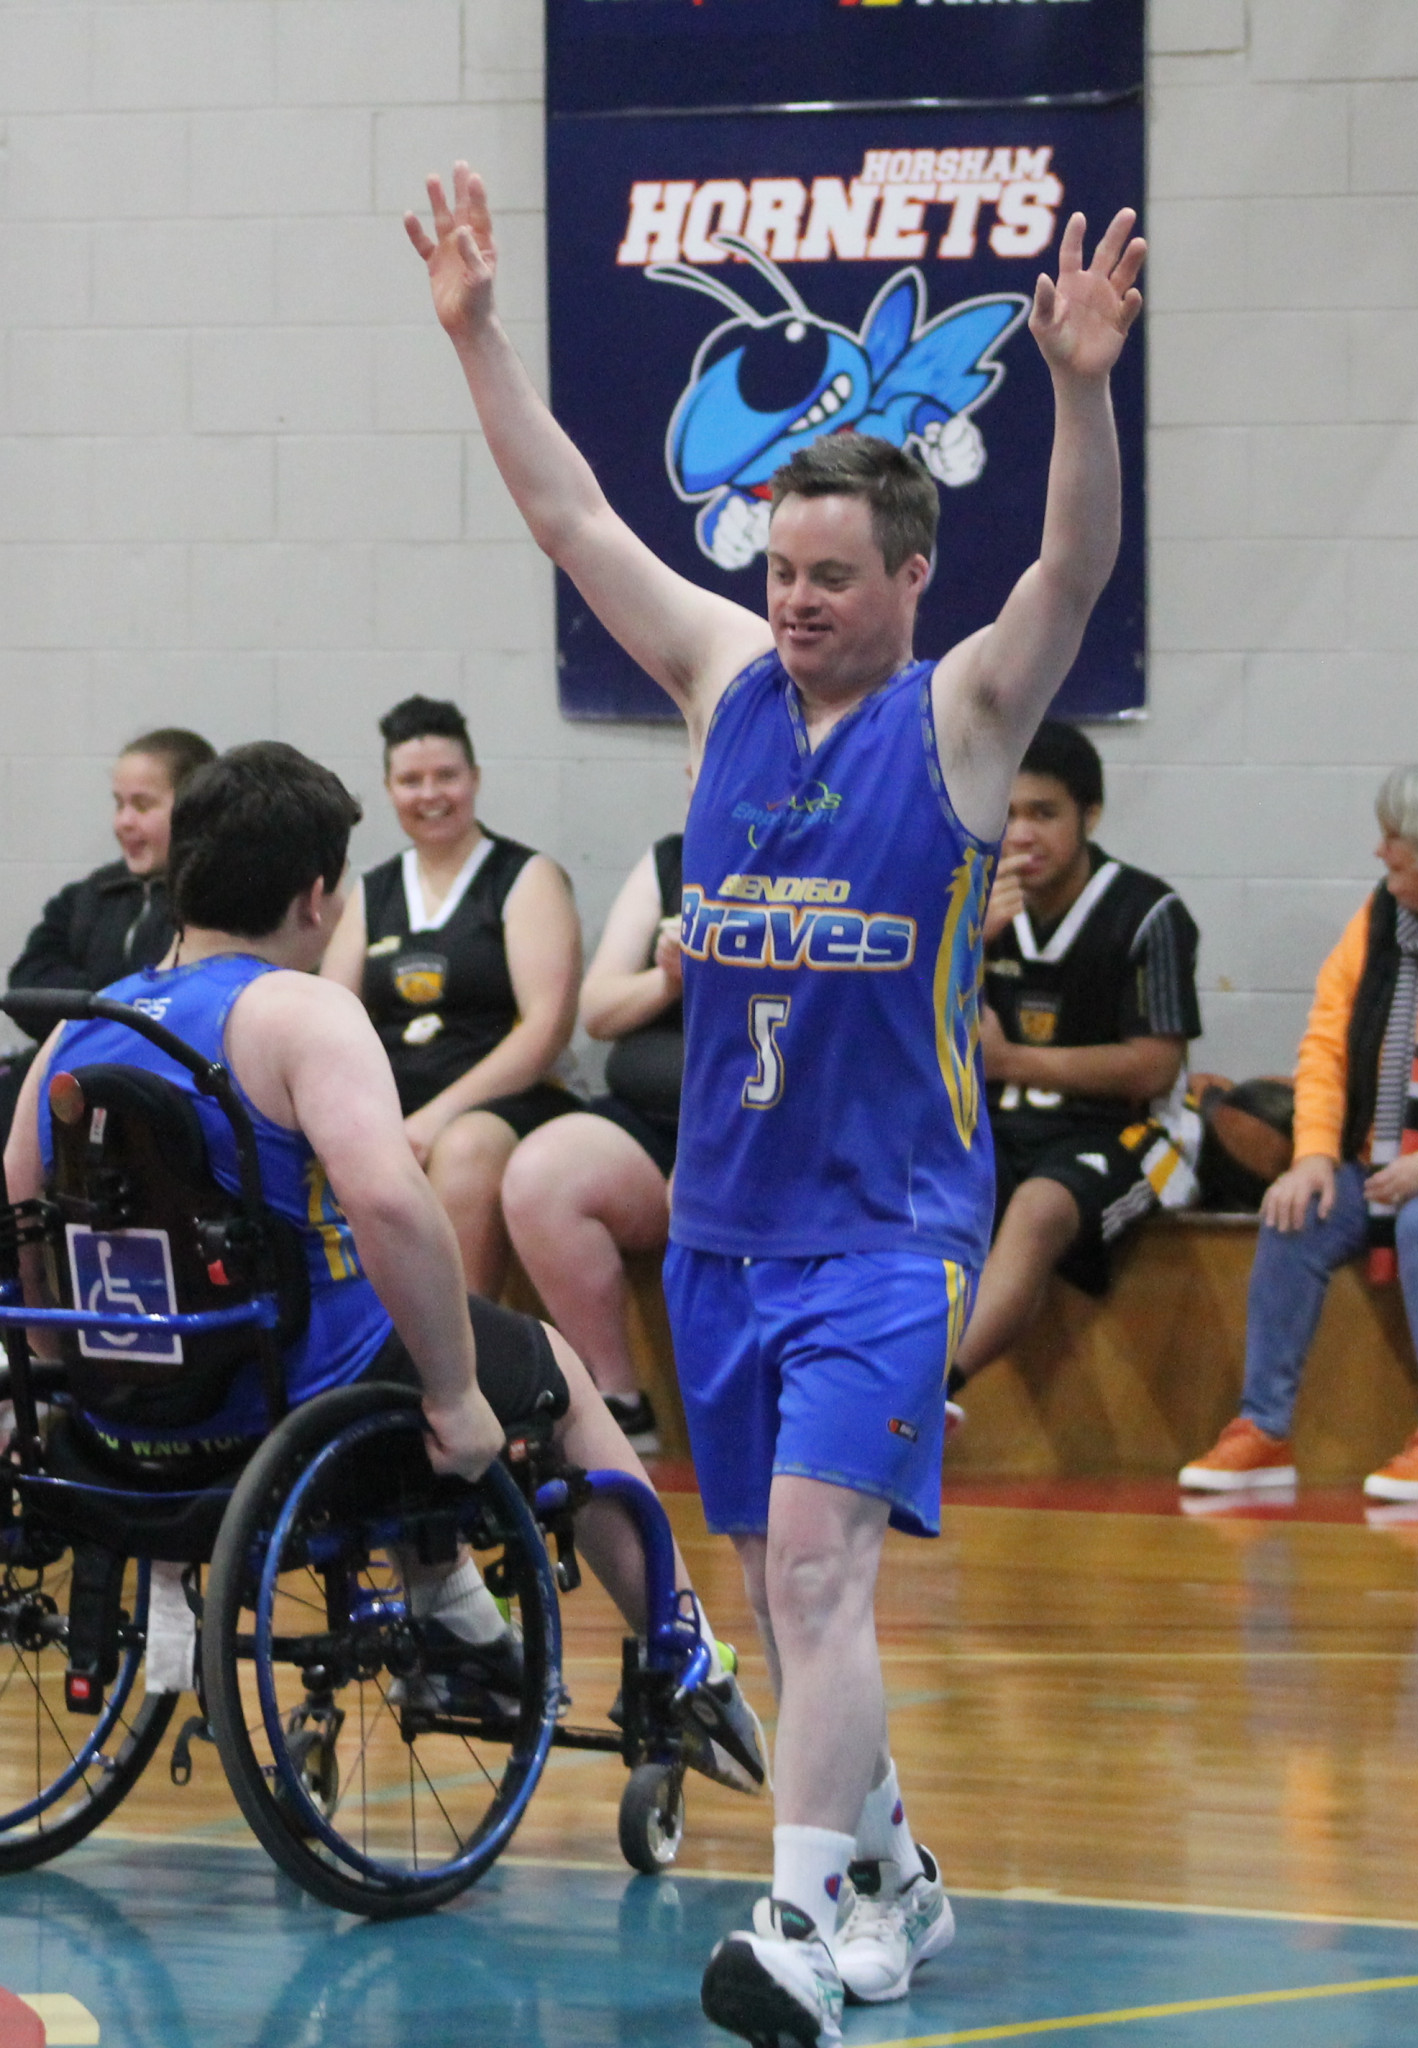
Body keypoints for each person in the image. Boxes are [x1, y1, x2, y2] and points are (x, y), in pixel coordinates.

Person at [406, 160, 1144, 2045]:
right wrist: (482, 337)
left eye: (834, 575)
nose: (796, 601)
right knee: (784, 1578)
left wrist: (1074, 389)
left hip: (890, 1227)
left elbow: (1068, 573)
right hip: (726, 1222)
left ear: (909, 574)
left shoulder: (964, 718)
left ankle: (806, 1925)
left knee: (815, 1574)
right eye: (779, 570)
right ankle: (895, 1869)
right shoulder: (726, 678)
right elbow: (573, 515)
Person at [2, 741, 765, 1787]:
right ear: (319, 895)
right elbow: (391, 1203)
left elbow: (23, 1207)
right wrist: (455, 1394)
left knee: (384, 1332)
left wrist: (58, 1378)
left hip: (121, 1411)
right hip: (286, 1394)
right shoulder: (300, 1012)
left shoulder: (82, 1027)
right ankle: (687, 1659)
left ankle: (450, 1606)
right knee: (542, 1366)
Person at [1180, 764, 1418, 1504]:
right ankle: (1262, 1430)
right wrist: (1310, 1159)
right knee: (1294, 1212)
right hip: (1379, 1163)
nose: (1380, 853)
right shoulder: (1377, 923)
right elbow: (1327, 1047)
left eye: (1394, 839)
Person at [946, 720, 1201, 1421]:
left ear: (1089, 815)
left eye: (1044, 813)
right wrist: (970, 945)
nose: (1022, 833)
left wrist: (1013, 1061)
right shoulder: (970, 905)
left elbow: (1151, 1068)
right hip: (1000, 1122)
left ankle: (935, 1391)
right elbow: (908, 1033)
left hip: (1128, 1135)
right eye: (1010, 813)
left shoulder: (1147, 912)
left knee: (1038, 1208)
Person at [321, 696, 581, 1298]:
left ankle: (462, 1354)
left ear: (475, 779)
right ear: (388, 789)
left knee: (464, 1148)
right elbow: (331, 1020)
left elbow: (546, 1030)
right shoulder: (373, 890)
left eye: (446, 776)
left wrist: (437, 1118)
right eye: (411, 780)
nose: (430, 793)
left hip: (507, 1097)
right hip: (400, 1099)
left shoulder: (523, 876)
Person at [502, 831, 685, 1454]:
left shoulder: (830, 859)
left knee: (716, 1194)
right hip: (651, 1119)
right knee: (540, 1176)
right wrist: (668, 979)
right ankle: (618, 1398)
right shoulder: (670, 859)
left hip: (770, 1126)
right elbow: (599, 1011)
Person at [1, 729, 217, 1142]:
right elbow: (29, 986)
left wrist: (89, 1005)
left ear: (193, 809)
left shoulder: (211, 903)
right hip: (73, 1077)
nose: (123, 822)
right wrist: (116, 1006)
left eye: (142, 804)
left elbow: (183, 1009)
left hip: (160, 1098)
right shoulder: (89, 895)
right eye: (118, 804)